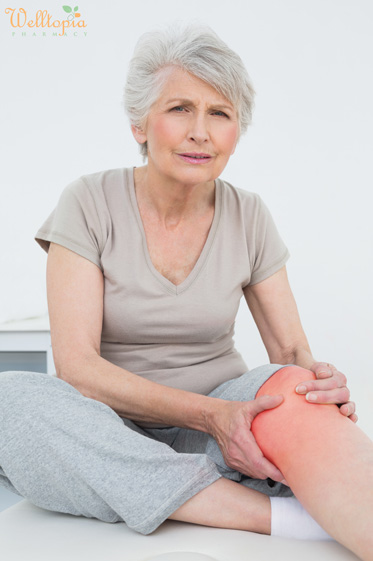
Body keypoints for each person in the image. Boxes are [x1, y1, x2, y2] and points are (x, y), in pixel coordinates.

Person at [0, 22, 372, 561]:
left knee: (292, 386)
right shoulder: (87, 201)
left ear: (235, 132)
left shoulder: (250, 214)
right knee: (11, 399)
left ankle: (181, 494)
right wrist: (206, 414)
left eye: (219, 114)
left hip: (227, 435)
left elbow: (290, 353)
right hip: (107, 432)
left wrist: (319, 387)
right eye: (180, 109)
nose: (200, 132)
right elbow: (78, 366)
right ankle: (265, 515)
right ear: (139, 124)